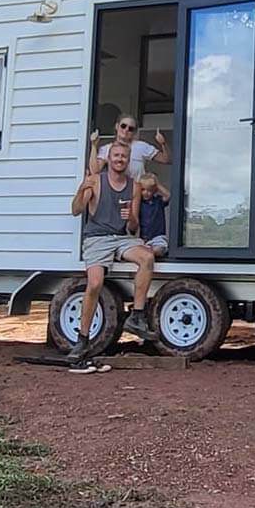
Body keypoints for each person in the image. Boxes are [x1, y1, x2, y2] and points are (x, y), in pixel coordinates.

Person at [68, 141, 157, 368]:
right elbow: (76, 210)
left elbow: (133, 227)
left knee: (147, 258)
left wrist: (130, 217)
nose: (120, 159)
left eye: (124, 156)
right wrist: (81, 189)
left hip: (122, 238)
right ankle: (83, 338)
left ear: (129, 160)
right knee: (95, 283)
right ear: (109, 158)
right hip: (97, 238)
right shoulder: (95, 181)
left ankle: (137, 316)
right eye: (116, 155)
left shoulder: (134, 186)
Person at [91, 115, 168, 179]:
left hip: (138, 190)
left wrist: (163, 143)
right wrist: (94, 146)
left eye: (131, 128)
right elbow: (95, 171)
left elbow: (165, 159)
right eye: (123, 126)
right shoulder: (106, 149)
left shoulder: (141, 146)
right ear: (117, 126)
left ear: (134, 132)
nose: (126, 130)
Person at [137, 172, 170, 257]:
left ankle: (152, 252)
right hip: (143, 239)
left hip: (158, 237)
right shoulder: (138, 203)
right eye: (143, 190)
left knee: (158, 249)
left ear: (155, 190)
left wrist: (157, 184)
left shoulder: (158, 201)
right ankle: (148, 252)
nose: (146, 193)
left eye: (149, 190)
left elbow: (168, 195)